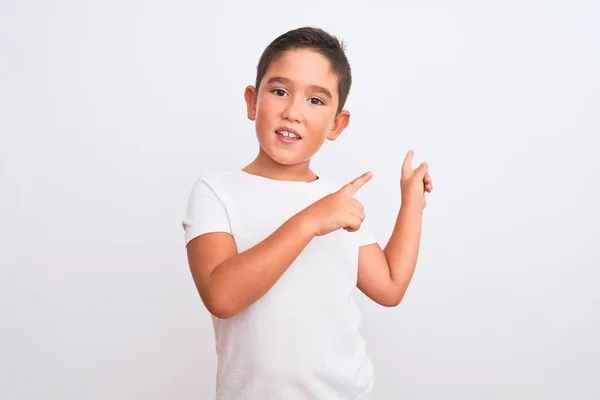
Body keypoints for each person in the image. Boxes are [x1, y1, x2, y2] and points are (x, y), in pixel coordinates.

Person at [182, 26, 433, 400]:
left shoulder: (338, 201)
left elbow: (390, 285)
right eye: (279, 91)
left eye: (315, 101)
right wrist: (309, 221)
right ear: (253, 102)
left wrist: (412, 204)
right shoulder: (215, 192)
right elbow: (222, 296)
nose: (292, 111)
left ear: (336, 124)